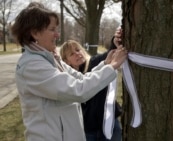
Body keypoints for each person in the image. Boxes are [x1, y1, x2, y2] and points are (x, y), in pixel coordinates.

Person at [11, 3, 127, 141]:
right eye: (52, 29)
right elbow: (78, 90)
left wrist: (106, 64)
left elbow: (81, 79)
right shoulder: (32, 66)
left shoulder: (50, 59)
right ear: (35, 33)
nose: (57, 35)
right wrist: (112, 67)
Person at [60, 29, 123, 141]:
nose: (77, 54)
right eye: (72, 54)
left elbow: (110, 53)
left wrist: (115, 39)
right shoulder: (68, 78)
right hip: (87, 130)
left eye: (78, 50)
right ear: (66, 61)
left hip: (110, 124)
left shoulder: (95, 62)